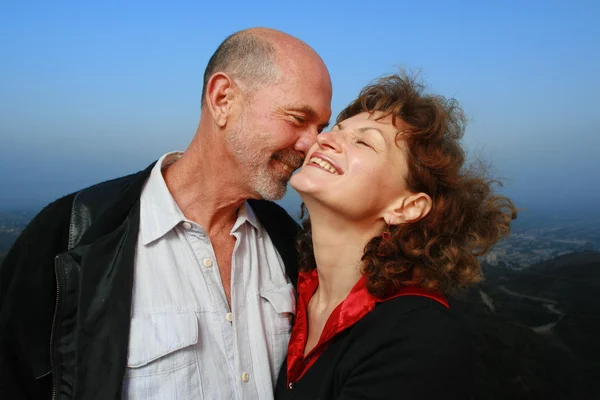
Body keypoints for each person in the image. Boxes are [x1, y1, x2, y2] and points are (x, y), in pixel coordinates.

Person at [0, 28, 332, 399]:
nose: (312, 145)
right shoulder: (72, 235)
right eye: (297, 118)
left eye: (320, 127)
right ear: (223, 99)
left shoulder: (291, 245)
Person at [274, 72, 517, 399]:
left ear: (407, 206)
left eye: (363, 141)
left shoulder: (421, 338)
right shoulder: (281, 269)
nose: (323, 139)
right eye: (335, 130)